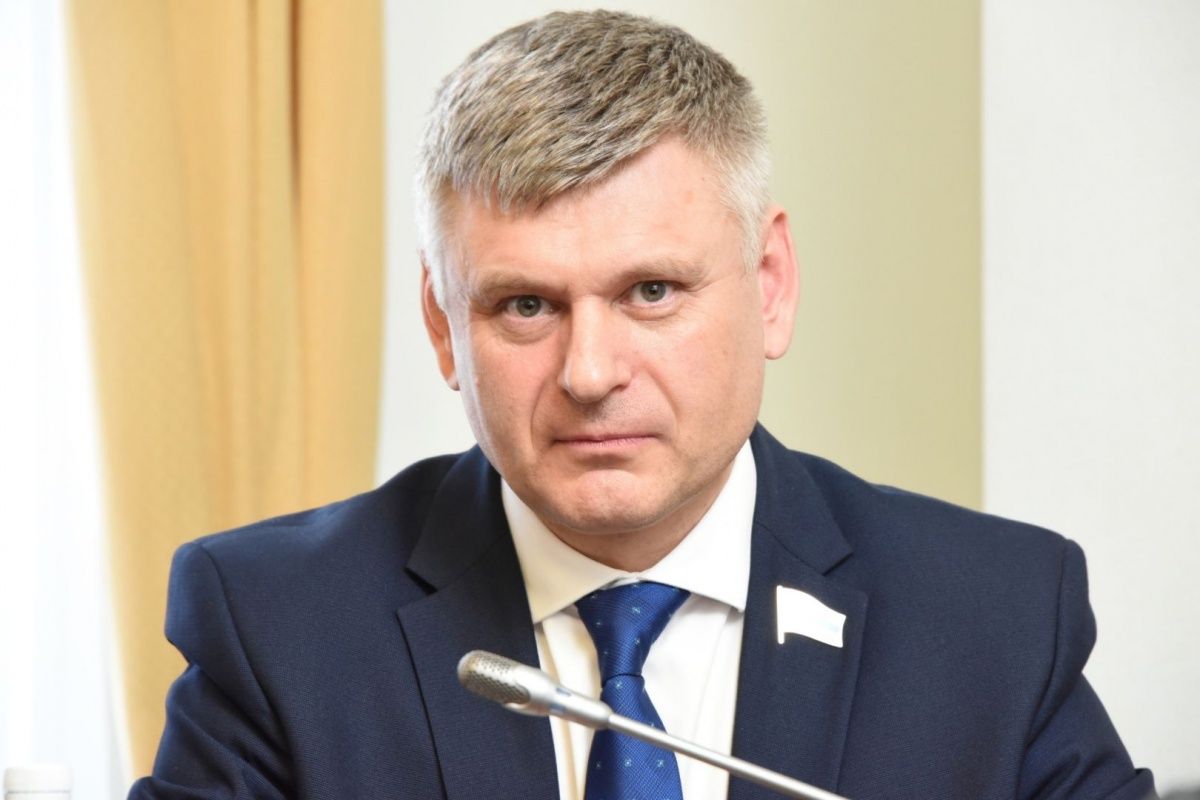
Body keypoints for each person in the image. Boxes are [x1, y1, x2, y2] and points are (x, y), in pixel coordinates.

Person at [130, 10, 1155, 800]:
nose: (590, 371)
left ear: (771, 285)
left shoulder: (991, 617)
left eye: (651, 292)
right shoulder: (278, 627)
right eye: (525, 305)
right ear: (443, 326)